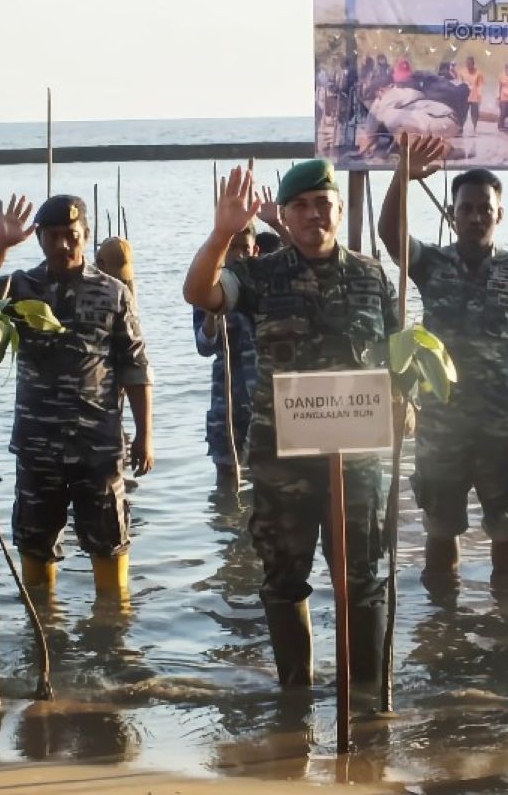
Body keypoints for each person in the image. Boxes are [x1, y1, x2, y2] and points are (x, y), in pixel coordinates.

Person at [182, 159, 399, 689]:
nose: (312, 214)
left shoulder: (372, 277)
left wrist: (403, 400)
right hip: (282, 461)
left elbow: (397, 354)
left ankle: (367, 697)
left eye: (322, 203)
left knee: (363, 579)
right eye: (299, 205)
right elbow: (198, 293)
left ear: (339, 209)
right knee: (284, 578)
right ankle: (295, 698)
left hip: (358, 461)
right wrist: (221, 233)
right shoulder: (259, 275)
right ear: (284, 214)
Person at [379, 136, 508, 584]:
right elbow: (388, 234)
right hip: (441, 424)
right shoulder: (432, 264)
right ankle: (443, 632)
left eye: (484, 208)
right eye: (466, 209)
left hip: (500, 424)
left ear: (499, 214)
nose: (476, 216)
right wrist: (402, 175)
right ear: (453, 216)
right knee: (440, 532)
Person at [0, 194, 153, 601]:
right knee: (35, 545)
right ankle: (43, 632)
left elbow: (135, 367)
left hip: (98, 446)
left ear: (86, 236)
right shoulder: (20, 287)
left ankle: (111, 635)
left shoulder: (113, 292)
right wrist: (0, 246)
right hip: (39, 446)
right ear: (39, 239)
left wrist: (144, 435)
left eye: (71, 236)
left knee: (109, 542)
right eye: (53, 236)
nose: (63, 245)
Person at [191, 222, 257, 486]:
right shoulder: (210, 287)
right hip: (226, 399)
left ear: (256, 250)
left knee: (269, 478)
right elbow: (204, 347)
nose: (239, 254)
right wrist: (211, 311)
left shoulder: (266, 285)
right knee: (227, 476)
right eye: (233, 248)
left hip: (262, 400)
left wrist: (277, 223)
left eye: (245, 248)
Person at [458, 56, 485, 135]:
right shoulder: (462, 72)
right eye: (467, 64)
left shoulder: (478, 73)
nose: (469, 65)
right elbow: (459, 83)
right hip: (464, 96)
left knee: (475, 113)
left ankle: (474, 127)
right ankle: (460, 127)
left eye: (470, 64)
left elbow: (480, 85)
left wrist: (479, 96)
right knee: (463, 113)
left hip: (475, 96)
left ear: (473, 64)